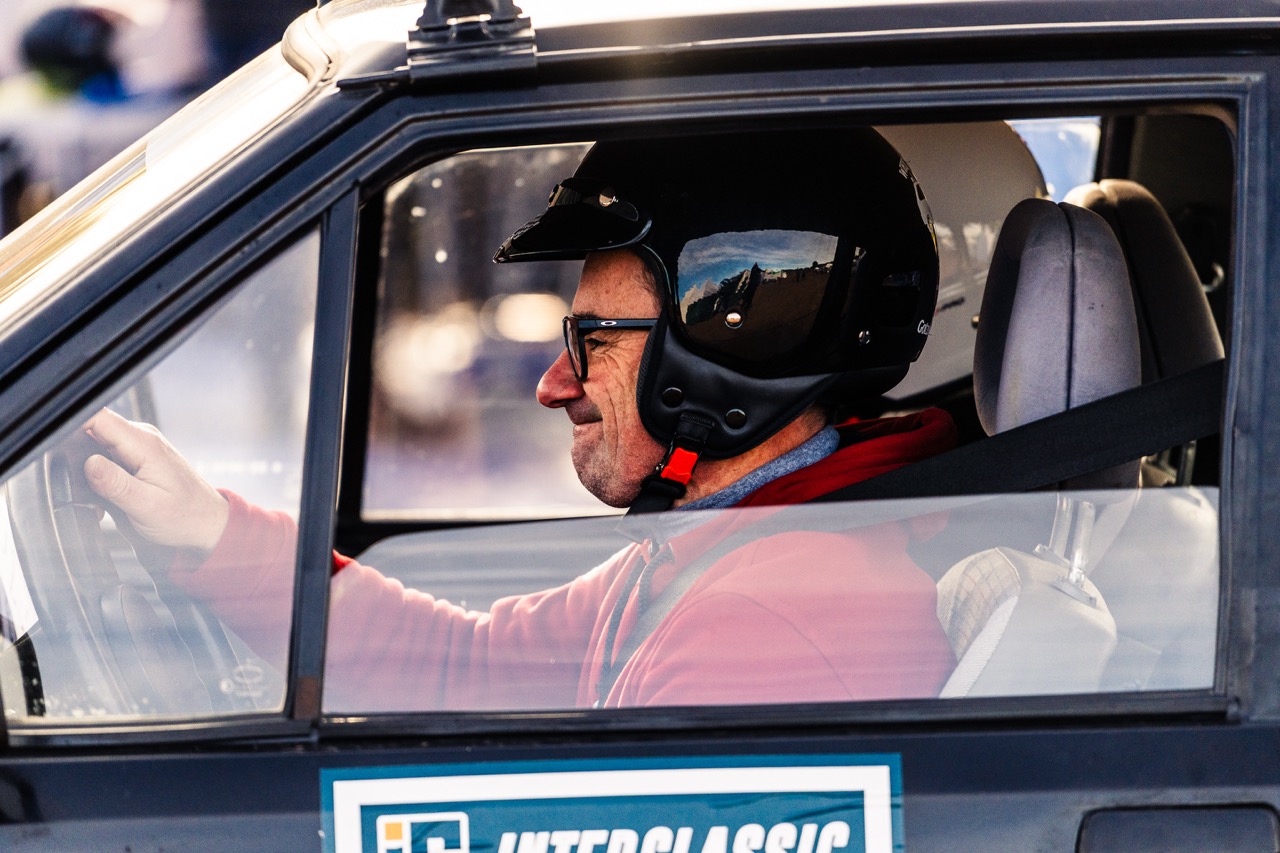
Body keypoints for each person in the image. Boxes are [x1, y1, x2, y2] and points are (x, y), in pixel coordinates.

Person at [82, 128, 958, 711]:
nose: (551, 385)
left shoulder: (764, 624)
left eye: (593, 342)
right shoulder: (723, 544)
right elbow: (467, 668)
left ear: (728, 346)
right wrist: (208, 530)